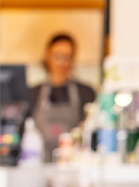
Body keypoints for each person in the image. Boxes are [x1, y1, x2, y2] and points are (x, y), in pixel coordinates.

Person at [28, 32, 96, 160]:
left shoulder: (86, 92)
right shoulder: (33, 93)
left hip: (74, 164)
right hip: (38, 163)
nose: (62, 63)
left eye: (68, 57)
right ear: (47, 56)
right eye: (57, 57)